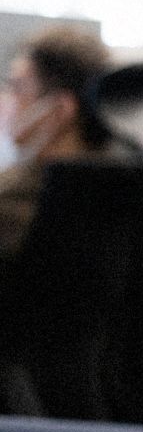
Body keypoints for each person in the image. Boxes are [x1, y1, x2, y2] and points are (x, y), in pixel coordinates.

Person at [0, 26, 115, 262]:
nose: (7, 99)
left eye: (17, 88)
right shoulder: (126, 191)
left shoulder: (13, 202)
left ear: (60, 110)